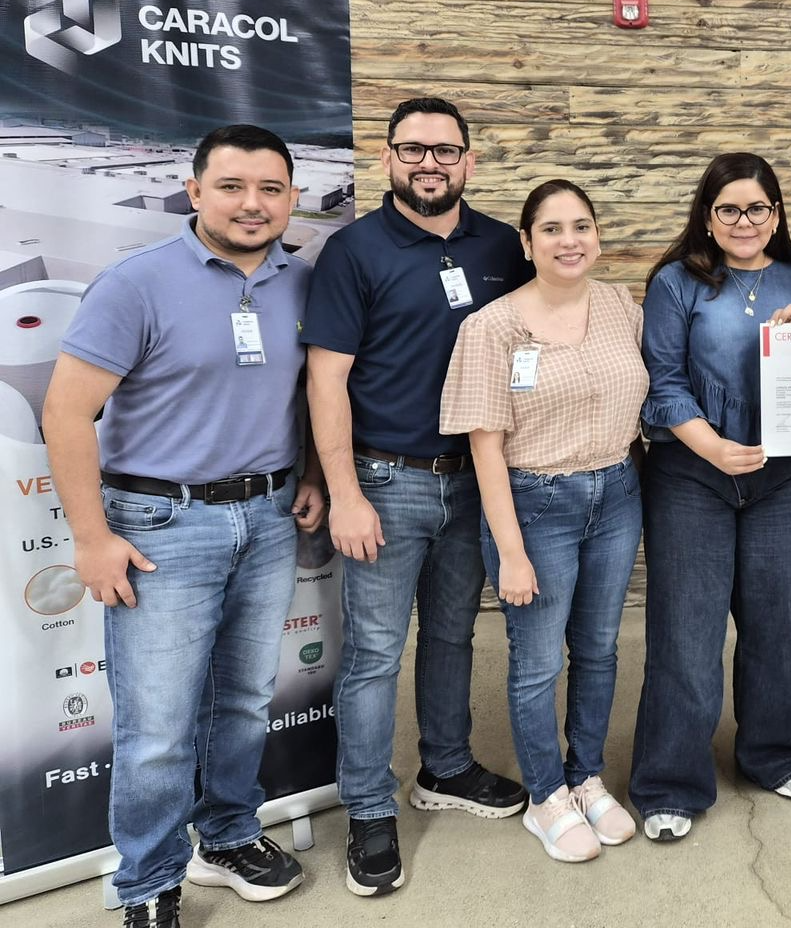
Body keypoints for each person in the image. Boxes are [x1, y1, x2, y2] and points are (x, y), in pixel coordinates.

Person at [43, 125, 325, 927]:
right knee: (159, 728)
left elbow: (309, 393)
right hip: (161, 524)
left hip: (268, 515)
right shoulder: (137, 283)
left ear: (292, 199)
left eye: (271, 189)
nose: (252, 204)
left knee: (244, 701)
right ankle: (149, 883)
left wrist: (310, 474)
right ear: (194, 191)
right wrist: (91, 538)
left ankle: (228, 835)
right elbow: (65, 412)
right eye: (232, 186)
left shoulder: (302, 282)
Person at [303, 97, 530, 897]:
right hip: (386, 481)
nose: (429, 163)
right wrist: (343, 492)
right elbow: (326, 379)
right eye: (413, 149)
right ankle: (370, 808)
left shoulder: (502, 246)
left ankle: (446, 767)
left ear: (469, 160)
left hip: (476, 480)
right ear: (388, 158)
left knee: (453, 637)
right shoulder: (353, 251)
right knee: (373, 656)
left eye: (445, 150)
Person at [440, 180, 645, 863]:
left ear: (597, 236)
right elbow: (484, 447)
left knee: (599, 648)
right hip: (536, 504)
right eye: (551, 229)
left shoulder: (620, 306)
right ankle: (546, 794)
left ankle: (586, 777)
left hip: (617, 492)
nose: (569, 240)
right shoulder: (492, 327)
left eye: (581, 225)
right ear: (526, 243)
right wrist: (511, 551)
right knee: (536, 663)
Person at [628, 154, 791, 843]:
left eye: (758, 208)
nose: (745, 222)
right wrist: (712, 446)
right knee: (686, 633)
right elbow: (662, 381)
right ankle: (670, 782)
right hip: (692, 474)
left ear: (776, 214)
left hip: (785, 478)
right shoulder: (675, 282)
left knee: (778, 623)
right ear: (708, 217)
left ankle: (776, 754)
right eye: (729, 209)